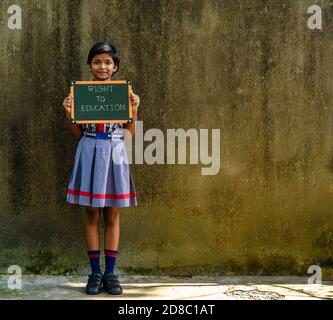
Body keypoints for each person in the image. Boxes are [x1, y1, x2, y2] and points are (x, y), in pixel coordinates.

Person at [62, 42, 140, 295]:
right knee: (93, 215)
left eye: (108, 62)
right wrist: (70, 114)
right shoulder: (81, 94)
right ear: (90, 66)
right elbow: (76, 134)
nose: (102, 66)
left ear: (115, 67)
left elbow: (129, 135)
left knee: (112, 215)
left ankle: (111, 273)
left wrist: (135, 111)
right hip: (89, 150)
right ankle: (95, 272)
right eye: (97, 62)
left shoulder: (123, 94)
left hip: (115, 152)